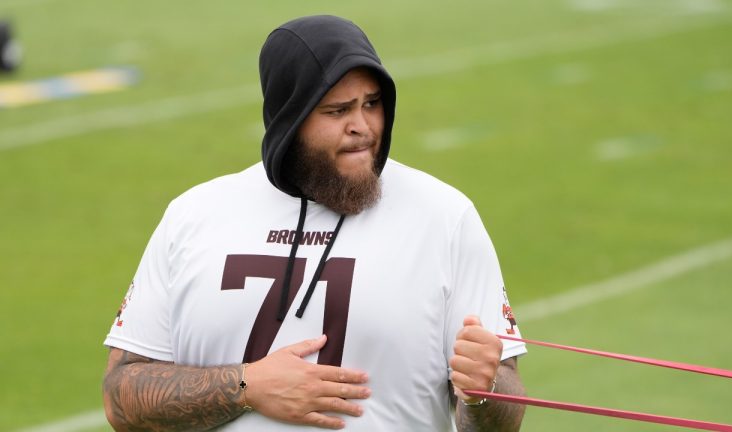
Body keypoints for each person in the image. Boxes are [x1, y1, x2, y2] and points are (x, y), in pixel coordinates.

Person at [102, 15, 526, 431]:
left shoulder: (445, 217)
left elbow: (503, 414)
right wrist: (245, 385)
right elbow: (122, 398)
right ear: (289, 118)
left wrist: (483, 390)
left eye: (372, 104)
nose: (362, 127)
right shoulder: (193, 215)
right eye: (338, 110)